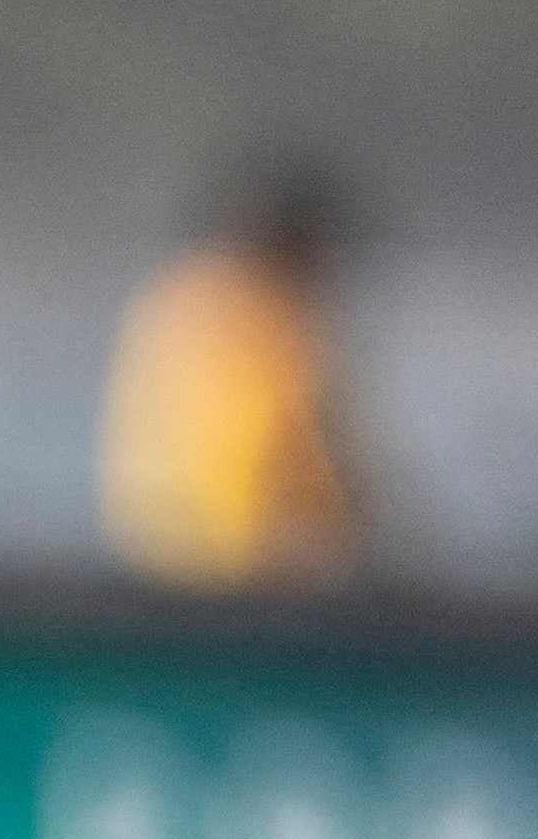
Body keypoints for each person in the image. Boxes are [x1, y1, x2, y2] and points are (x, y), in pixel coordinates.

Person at [97, 162, 364, 590]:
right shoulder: (258, 312)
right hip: (232, 572)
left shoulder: (180, 292)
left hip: (154, 553)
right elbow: (262, 452)